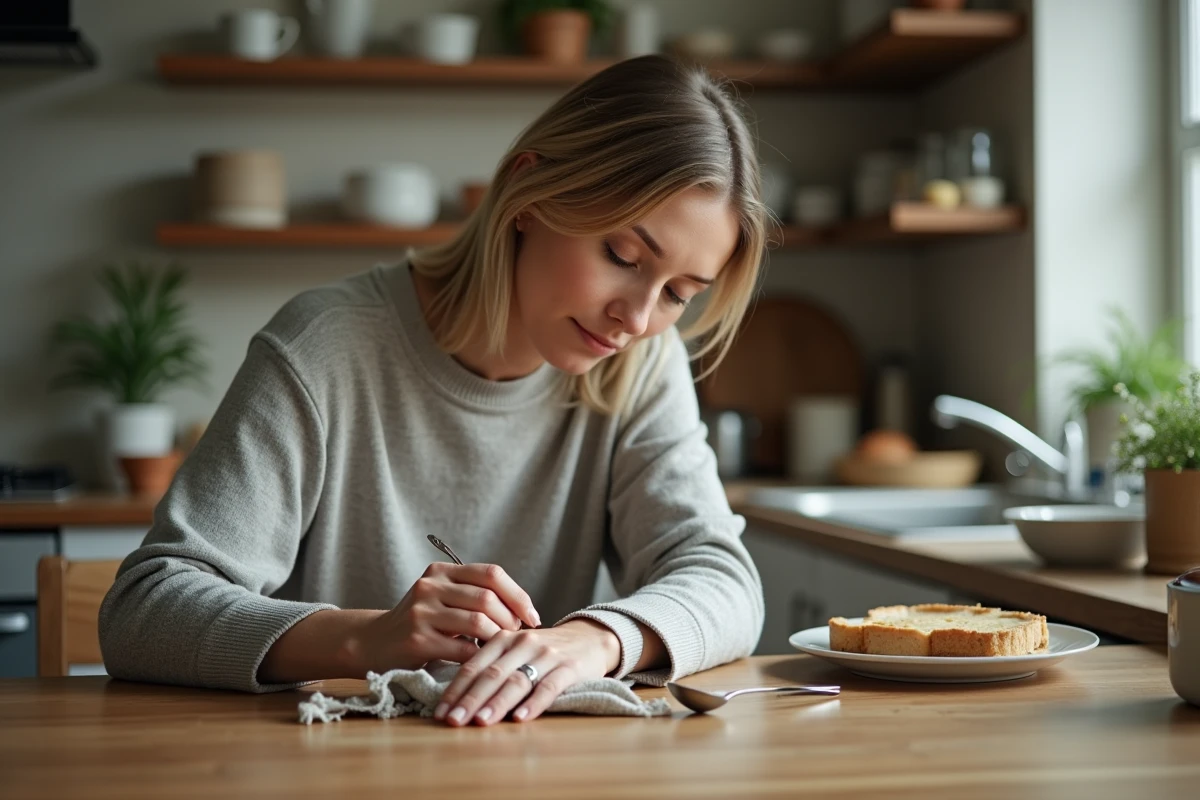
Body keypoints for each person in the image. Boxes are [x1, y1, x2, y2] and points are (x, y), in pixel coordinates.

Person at [99, 54, 768, 728]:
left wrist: (592, 641)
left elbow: (724, 580)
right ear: (527, 197)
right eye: (623, 257)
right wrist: (364, 638)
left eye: (679, 294)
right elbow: (144, 608)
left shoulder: (641, 367)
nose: (639, 317)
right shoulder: (322, 347)